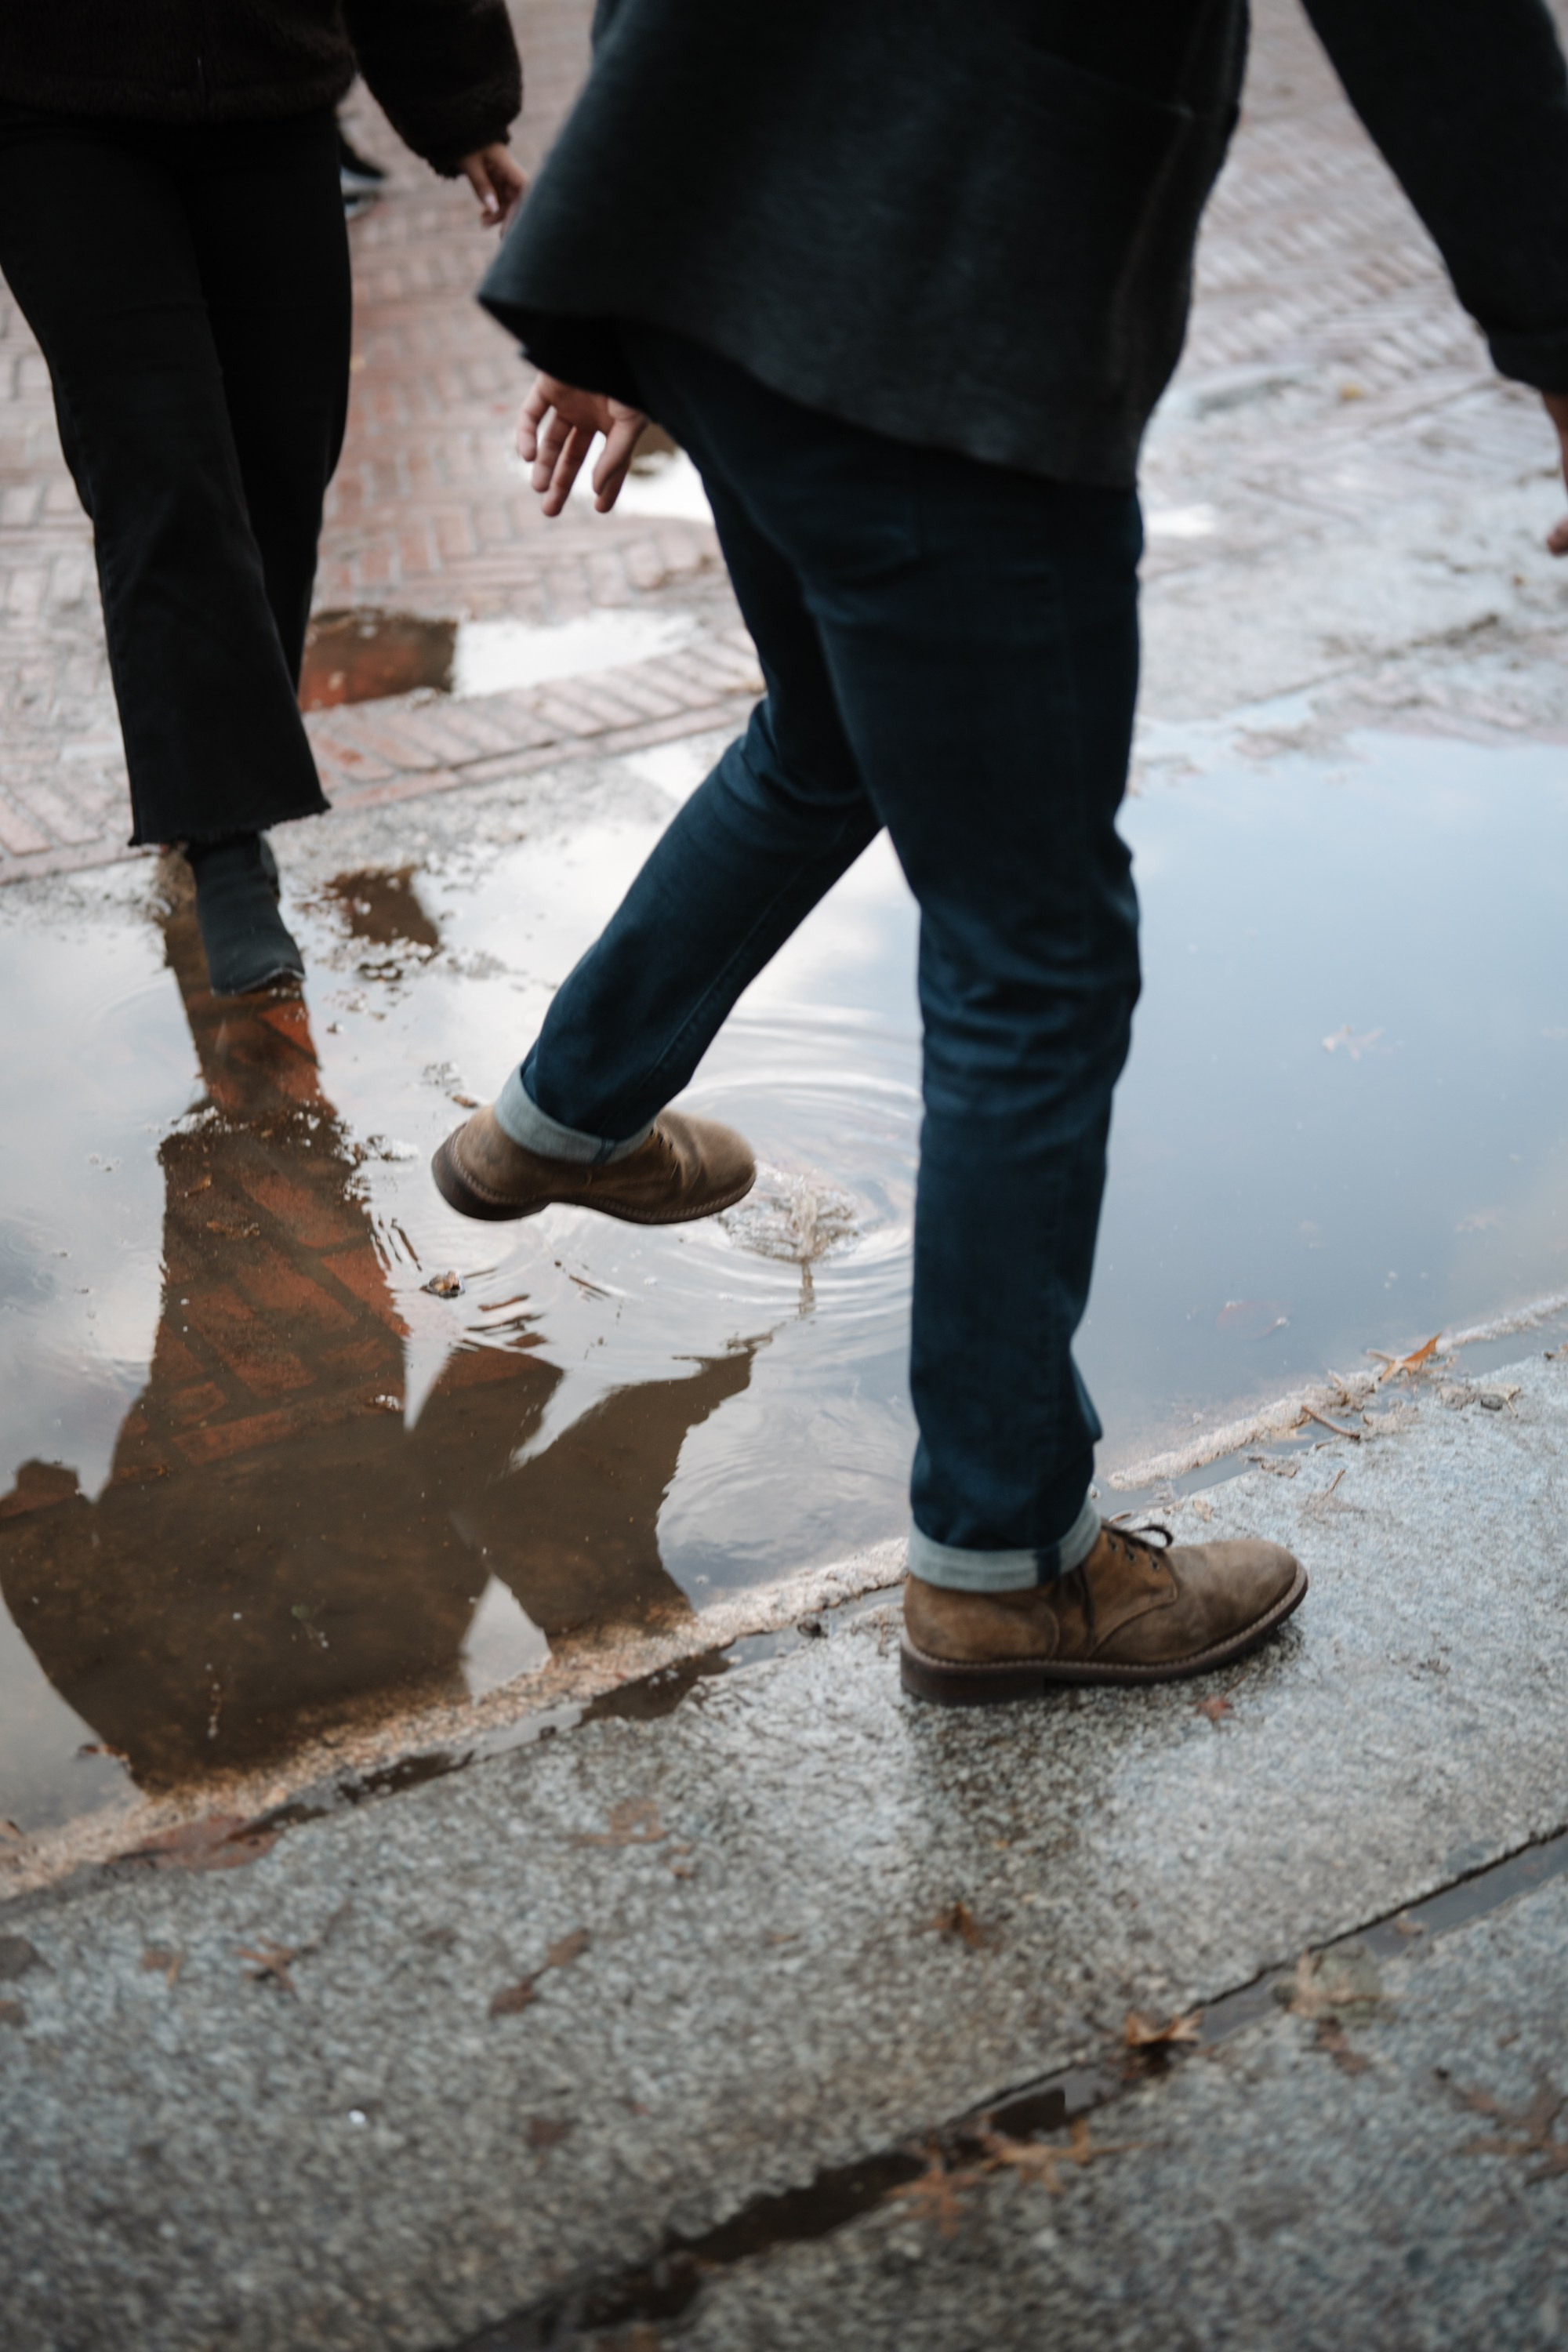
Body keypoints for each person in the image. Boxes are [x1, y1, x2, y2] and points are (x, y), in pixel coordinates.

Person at [435, 0, 1568, 1705]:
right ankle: (1007, 1561)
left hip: (722, 245)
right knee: (1028, 948)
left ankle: (566, 1113)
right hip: (946, 278)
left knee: (823, 739)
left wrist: (633, 258)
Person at [0, 2, 524, 996]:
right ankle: (228, 846)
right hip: (53, 102)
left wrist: (464, 107)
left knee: (285, 453)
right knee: (161, 458)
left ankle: (215, 764)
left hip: (269, 85)